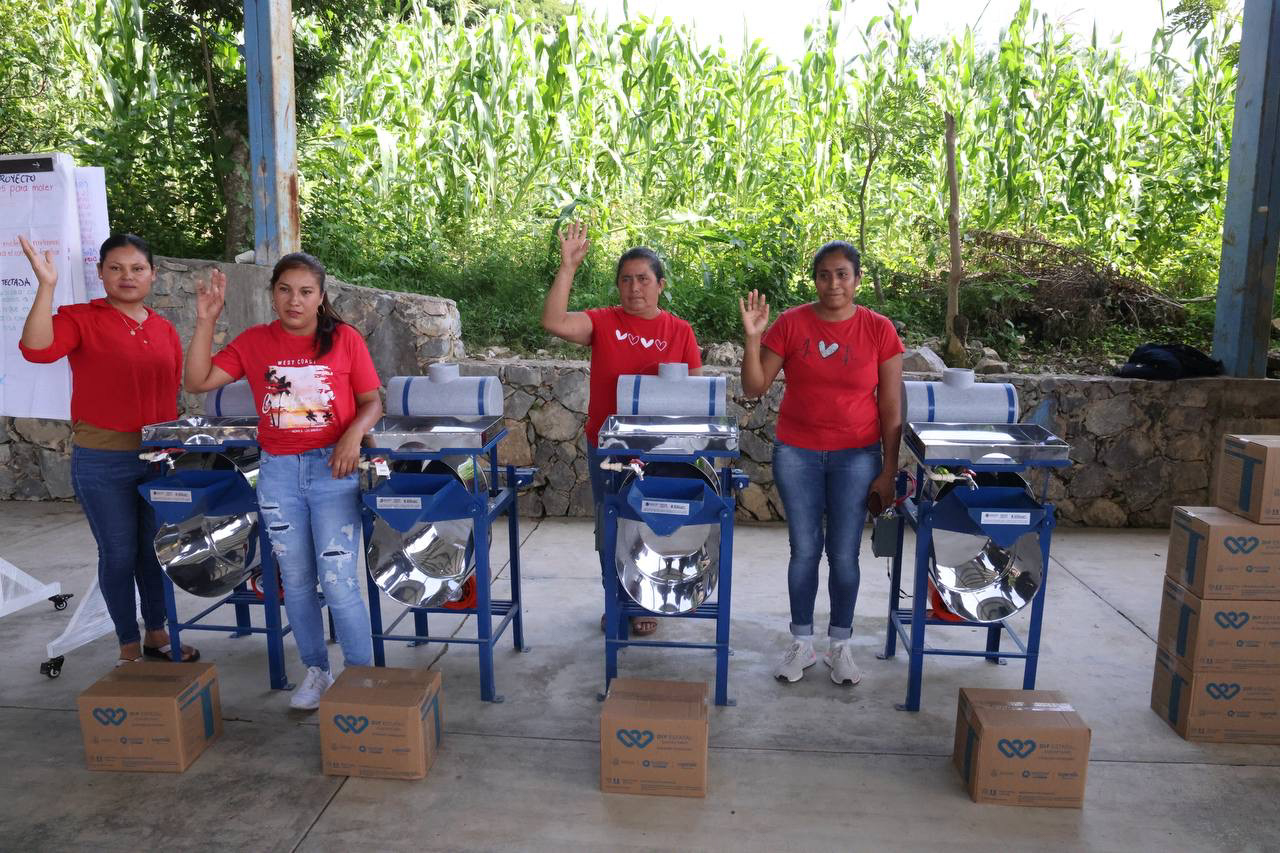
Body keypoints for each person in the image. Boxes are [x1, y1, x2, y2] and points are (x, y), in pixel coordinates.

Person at [184, 252, 381, 710]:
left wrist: (352, 436)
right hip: (277, 474)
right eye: (285, 290)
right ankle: (317, 671)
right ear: (272, 294)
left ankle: (362, 677)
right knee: (294, 581)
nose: (295, 300)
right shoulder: (254, 342)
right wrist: (205, 321)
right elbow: (196, 381)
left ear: (321, 297)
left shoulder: (345, 340)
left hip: (334, 471)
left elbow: (372, 401)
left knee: (338, 581)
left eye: (306, 291)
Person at [18, 233, 199, 666]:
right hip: (102, 461)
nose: (127, 276)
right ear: (100, 273)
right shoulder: (81, 318)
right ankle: (128, 644)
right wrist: (45, 287)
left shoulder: (163, 328)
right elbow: (36, 350)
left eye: (137, 268)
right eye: (115, 268)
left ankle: (157, 633)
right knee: (118, 553)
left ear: (152, 275)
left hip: (159, 459)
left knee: (155, 550)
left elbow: (175, 390)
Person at [739, 240, 903, 686]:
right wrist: (753, 338)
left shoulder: (878, 329)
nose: (834, 283)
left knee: (845, 555)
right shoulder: (792, 324)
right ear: (815, 280)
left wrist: (888, 470)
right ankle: (802, 643)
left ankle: (841, 647)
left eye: (843, 274)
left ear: (857, 279)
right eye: (825, 275)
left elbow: (891, 407)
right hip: (798, 453)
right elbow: (755, 386)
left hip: (858, 455)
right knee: (805, 550)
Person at [541, 221, 703, 636]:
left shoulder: (679, 331)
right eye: (626, 280)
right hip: (608, 448)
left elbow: (695, 395)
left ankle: (645, 596)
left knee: (650, 524)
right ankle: (617, 598)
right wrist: (567, 268)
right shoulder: (602, 322)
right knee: (611, 525)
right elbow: (555, 321)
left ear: (660, 284)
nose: (635, 288)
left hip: (662, 451)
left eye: (643, 279)